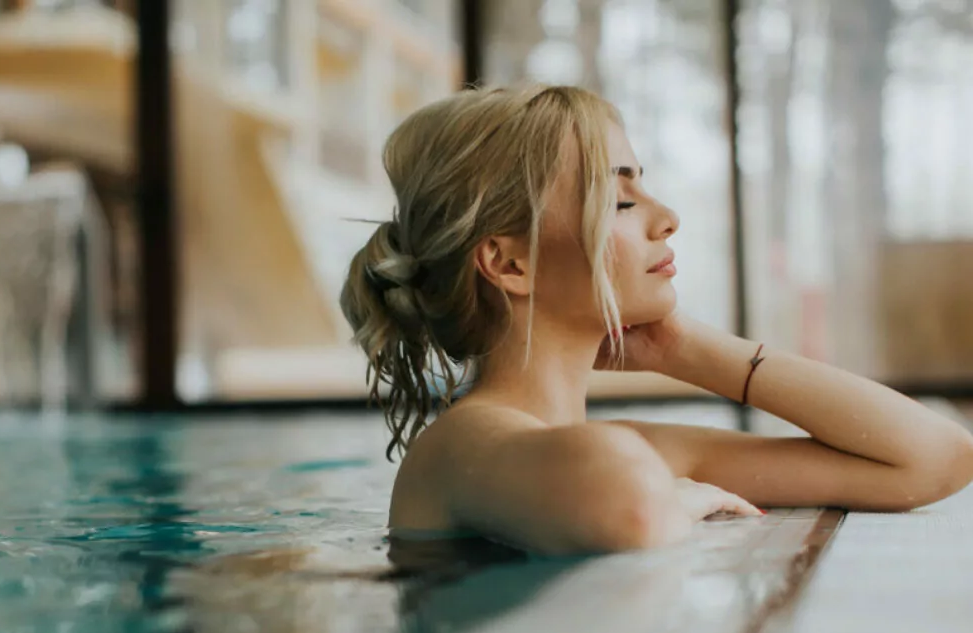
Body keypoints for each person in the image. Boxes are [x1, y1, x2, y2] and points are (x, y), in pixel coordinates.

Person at [339, 84, 973, 556]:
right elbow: (631, 509)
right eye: (619, 199)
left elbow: (935, 460)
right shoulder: (460, 445)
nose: (666, 216)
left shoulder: (612, 450)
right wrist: (683, 495)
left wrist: (688, 350)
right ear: (511, 264)